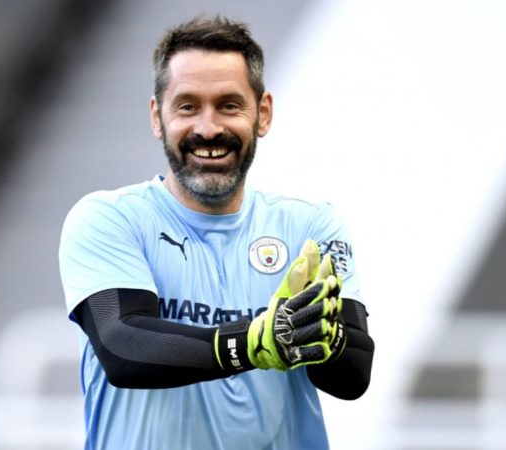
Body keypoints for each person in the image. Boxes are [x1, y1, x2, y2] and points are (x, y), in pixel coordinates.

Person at [58, 15, 374, 450]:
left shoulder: (310, 226)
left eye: (229, 105)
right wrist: (254, 342)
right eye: (188, 106)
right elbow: (123, 347)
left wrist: (324, 337)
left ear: (263, 114)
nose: (208, 129)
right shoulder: (109, 218)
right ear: (157, 117)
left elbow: (353, 375)